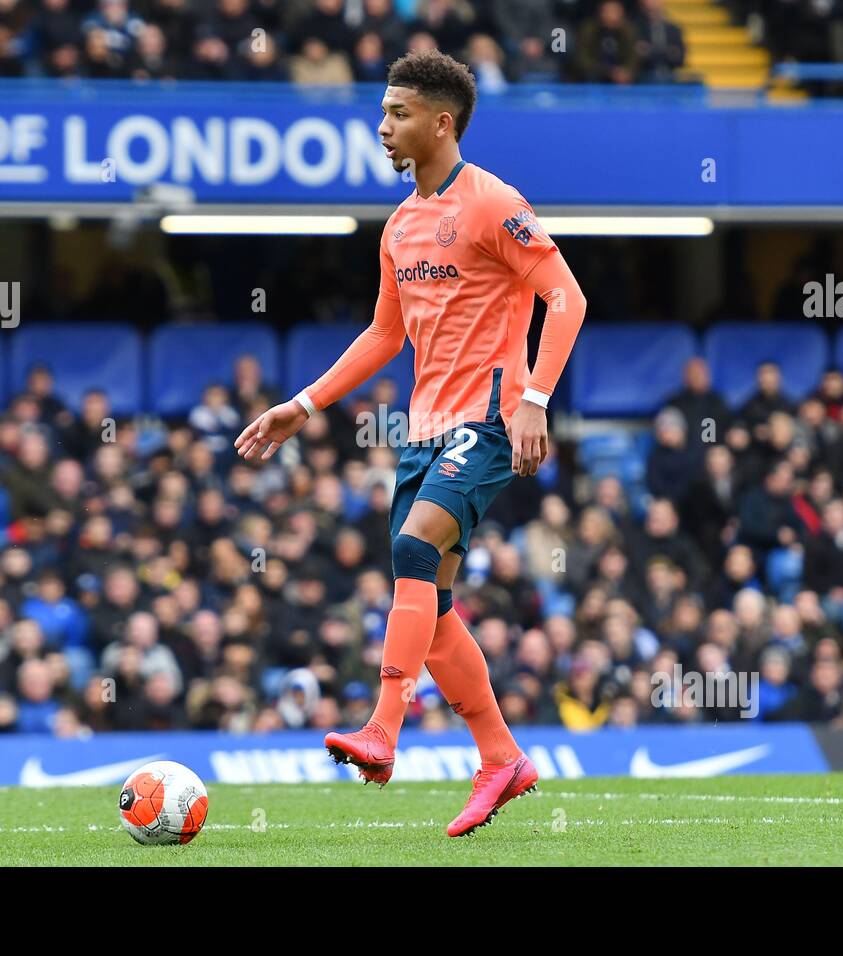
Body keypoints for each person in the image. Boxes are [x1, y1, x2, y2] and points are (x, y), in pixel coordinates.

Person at [235, 49, 586, 838]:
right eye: (383, 112)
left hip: (489, 419)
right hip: (423, 429)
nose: (383, 126)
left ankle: (383, 730)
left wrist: (534, 400)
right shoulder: (399, 226)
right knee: (432, 606)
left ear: (441, 121)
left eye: (396, 113)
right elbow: (384, 334)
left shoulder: (494, 203)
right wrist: (304, 403)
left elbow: (566, 298)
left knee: (412, 552)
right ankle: (502, 758)